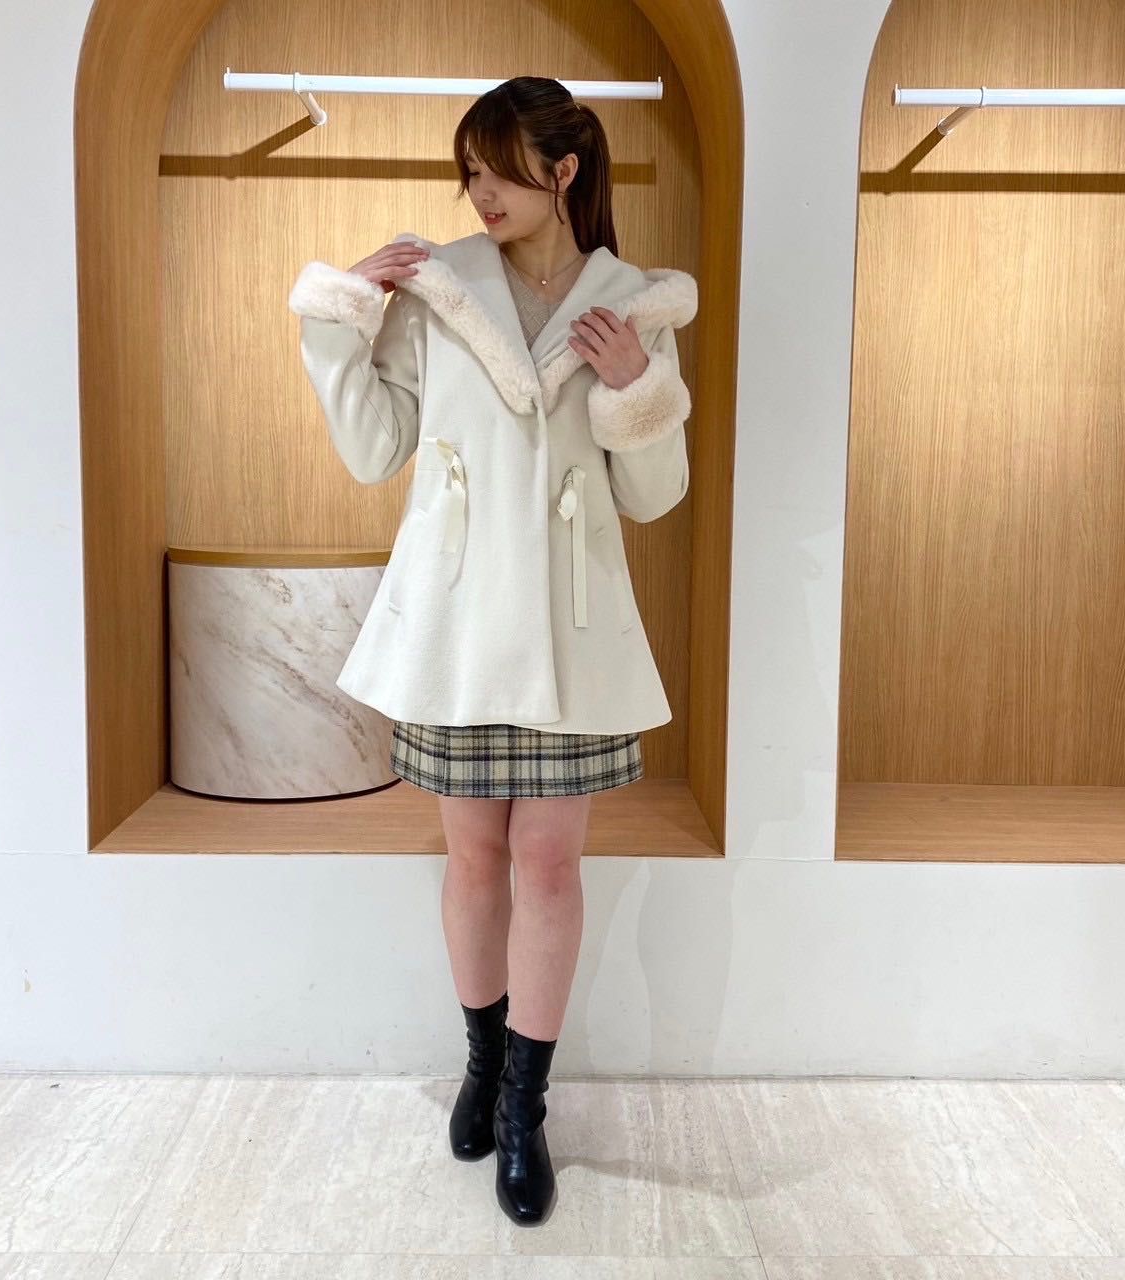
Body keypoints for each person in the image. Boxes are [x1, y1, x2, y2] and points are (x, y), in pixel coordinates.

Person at [288, 75, 697, 1226]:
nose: (475, 193)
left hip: (570, 628)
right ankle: (480, 1060)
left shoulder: (631, 306)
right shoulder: (439, 290)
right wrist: (342, 319)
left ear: (562, 169)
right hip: (460, 620)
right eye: (466, 171)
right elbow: (375, 449)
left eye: (495, 168)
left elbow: (653, 495)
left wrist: (636, 390)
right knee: (473, 858)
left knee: (548, 865)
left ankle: (524, 1104)